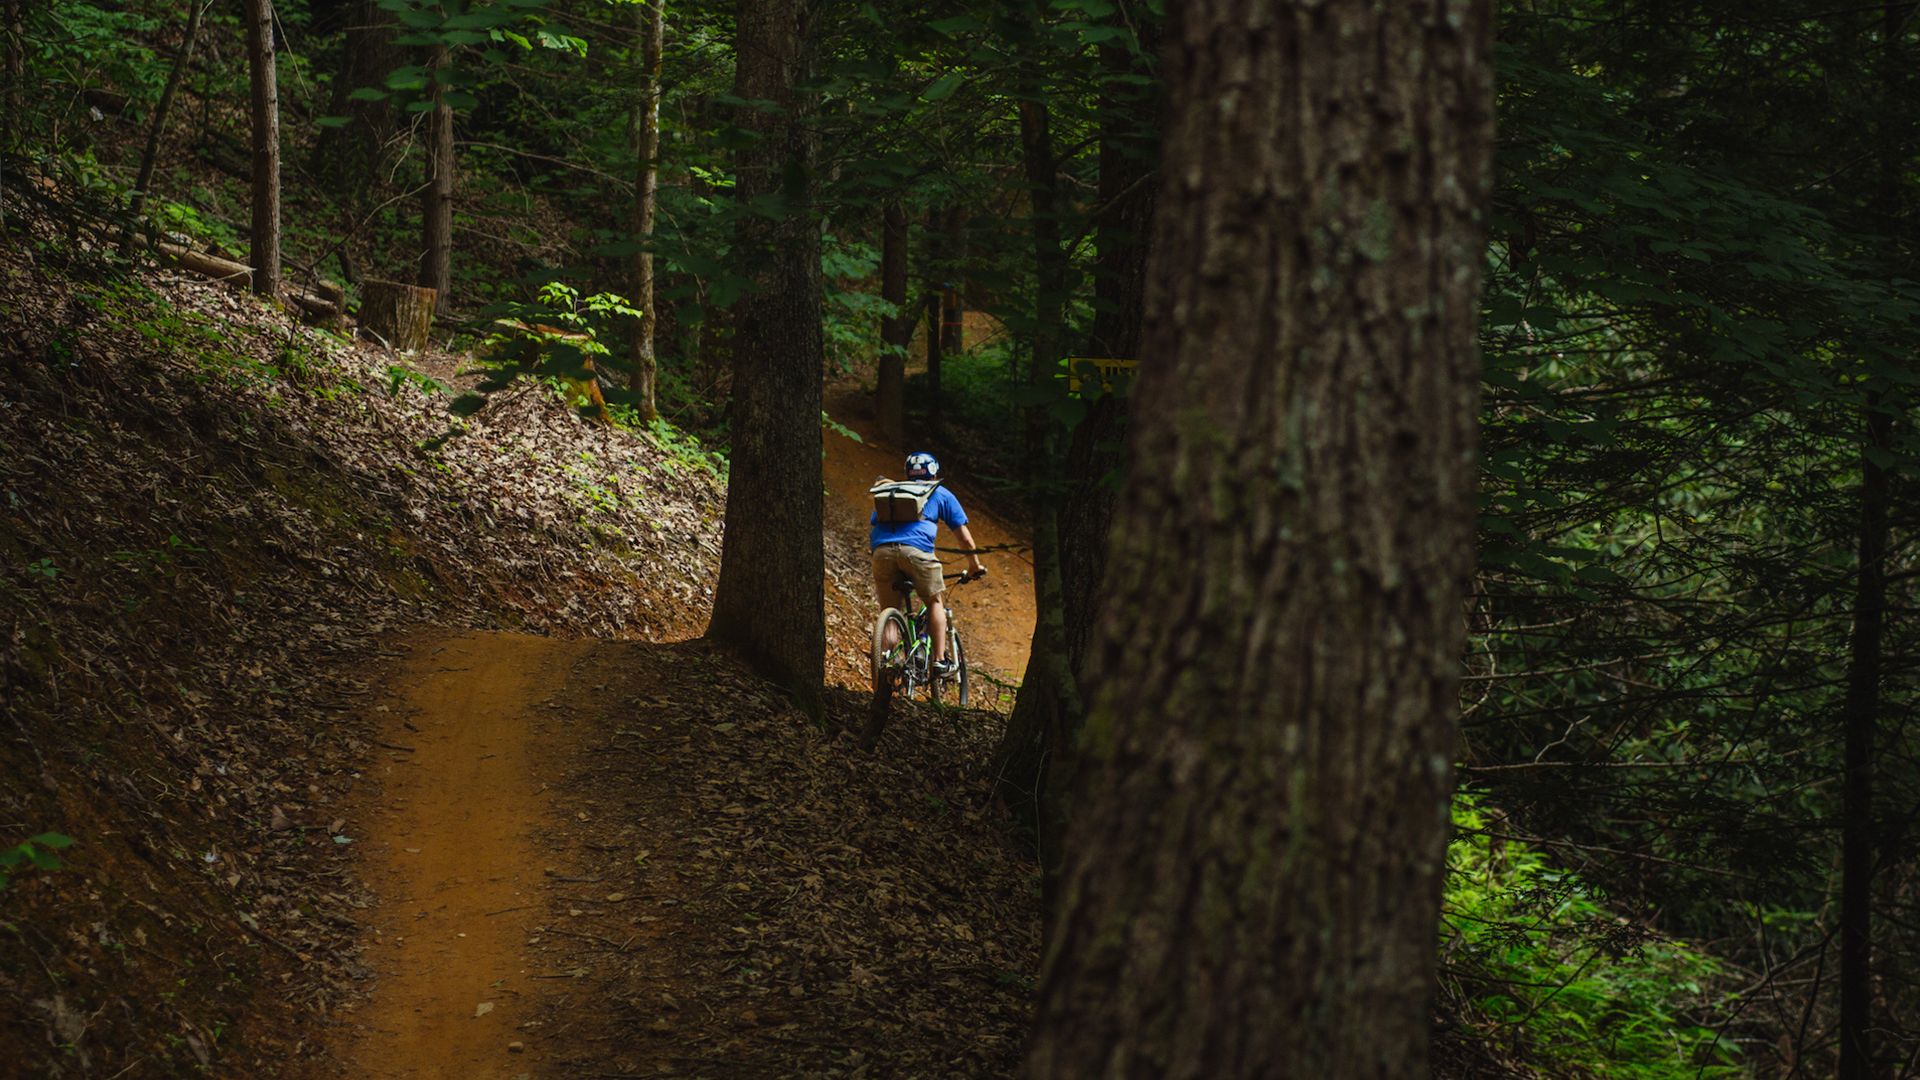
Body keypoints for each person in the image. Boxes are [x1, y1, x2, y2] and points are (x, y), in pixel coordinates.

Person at [871, 451, 985, 676]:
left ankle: (886, 663)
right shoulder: (940, 493)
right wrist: (974, 566)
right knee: (934, 602)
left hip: (881, 553)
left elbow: (874, 525)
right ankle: (939, 661)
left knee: (890, 610)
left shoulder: (892, 493)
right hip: (918, 555)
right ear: (934, 472)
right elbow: (964, 538)